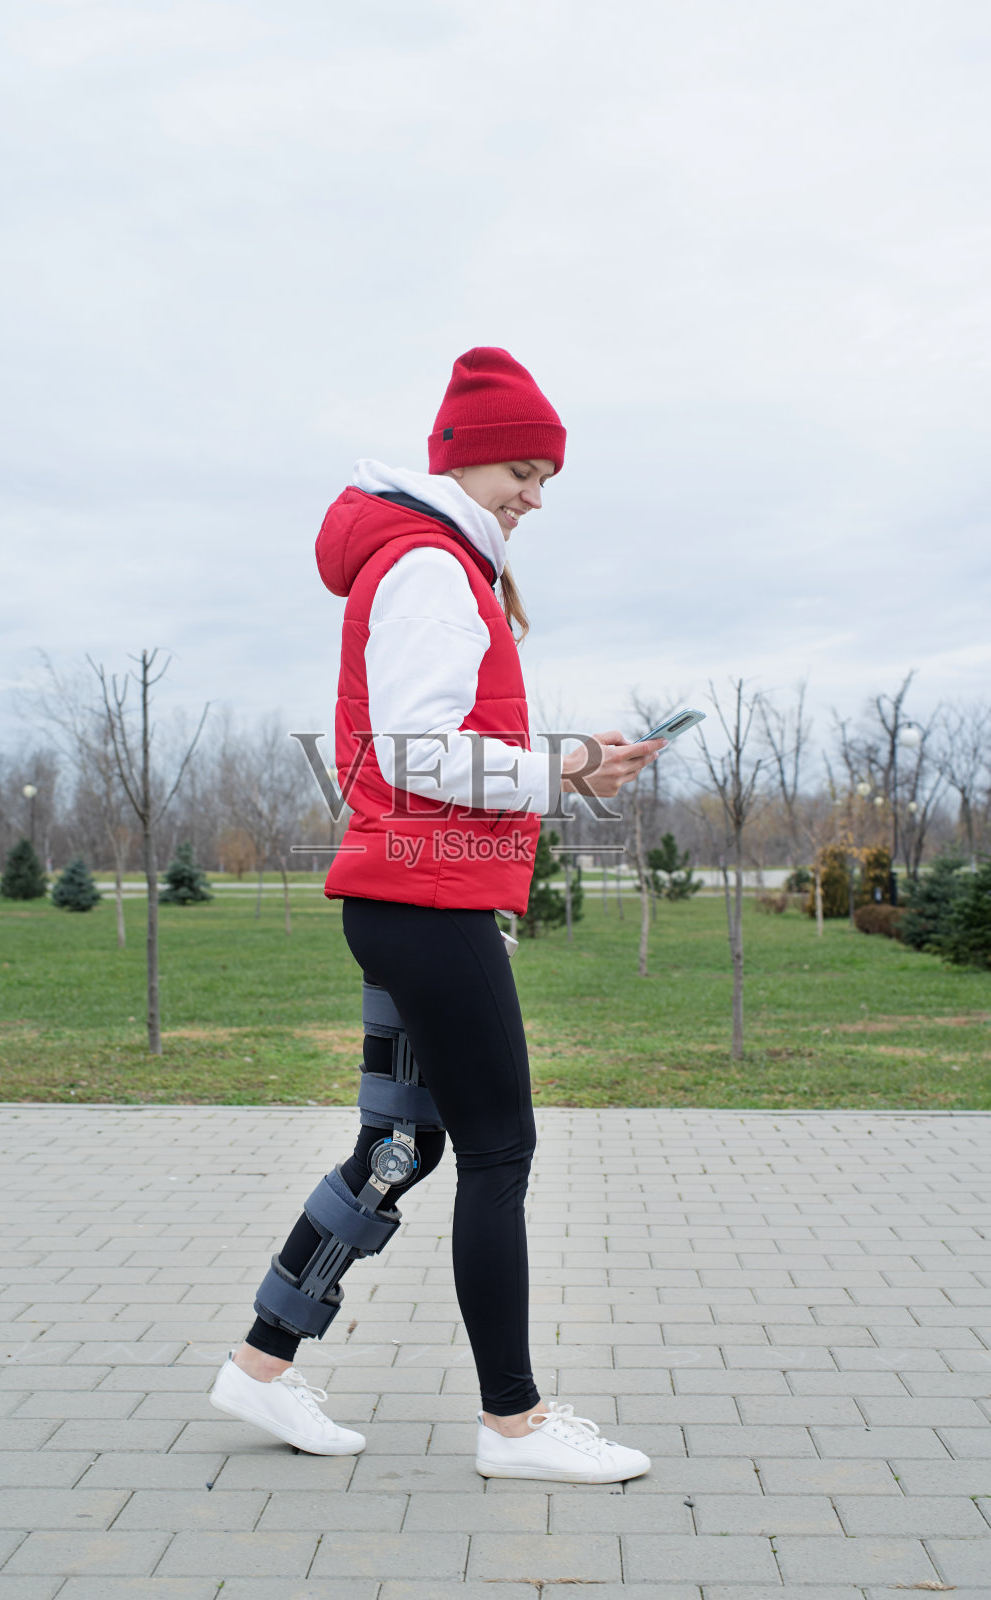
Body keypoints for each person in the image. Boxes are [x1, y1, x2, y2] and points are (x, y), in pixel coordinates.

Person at [210, 347, 665, 1482]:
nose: (537, 497)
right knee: (498, 1150)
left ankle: (259, 1367)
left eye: (546, 476)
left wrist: (570, 766)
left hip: (405, 895)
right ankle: (513, 1425)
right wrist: (564, 767)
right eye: (523, 469)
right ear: (462, 461)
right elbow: (423, 753)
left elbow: (441, 749)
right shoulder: (426, 565)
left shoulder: (436, 559)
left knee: (399, 1147)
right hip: (425, 901)